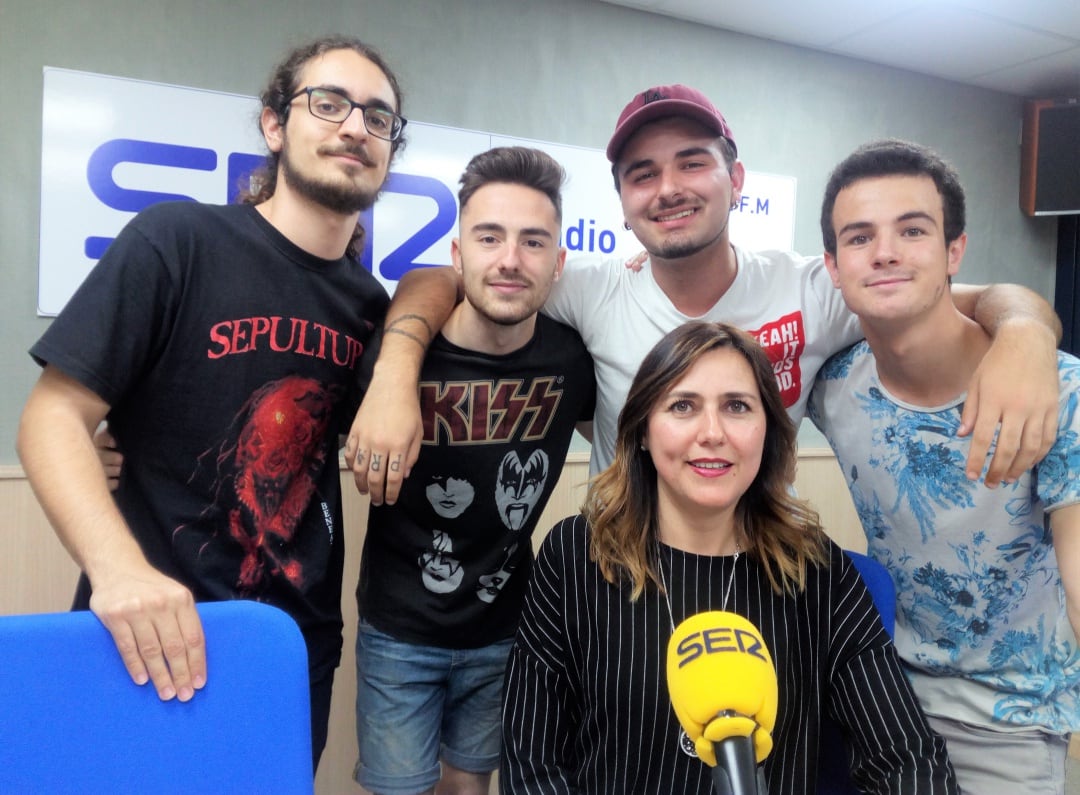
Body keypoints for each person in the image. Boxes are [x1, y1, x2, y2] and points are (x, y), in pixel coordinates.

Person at [345, 83, 1061, 507]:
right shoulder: (590, 292)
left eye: (693, 163)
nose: (670, 189)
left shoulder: (812, 287)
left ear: (736, 180)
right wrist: (395, 373)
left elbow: (968, 294)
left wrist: (1027, 337)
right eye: (643, 173)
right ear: (623, 202)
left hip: (755, 583)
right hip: (616, 586)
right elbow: (447, 278)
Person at [15, 34, 428, 767]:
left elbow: (448, 285)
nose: (355, 126)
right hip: (144, 636)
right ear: (275, 124)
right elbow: (53, 418)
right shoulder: (176, 240)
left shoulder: (369, 304)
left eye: (378, 116)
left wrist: (397, 364)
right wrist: (119, 570)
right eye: (328, 102)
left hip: (286, 652)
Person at [500, 320, 958, 793]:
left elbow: (907, 756)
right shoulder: (575, 555)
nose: (713, 433)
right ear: (642, 431)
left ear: (767, 431)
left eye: (737, 407)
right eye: (683, 406)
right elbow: (532, 762)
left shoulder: (816, 568)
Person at [808, 139, 1080, 794]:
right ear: (833, 266)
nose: (886, 251)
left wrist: (1027, 330)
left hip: (1008, 720)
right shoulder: (834, 386)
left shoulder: (1060, 392)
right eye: (860, 236)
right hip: (881, 700)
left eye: (913, 229)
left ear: (955, 251)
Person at [353, 146, 595, 795]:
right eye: (489, 237)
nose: (510, 259)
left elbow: (627, 441)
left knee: (470, 790)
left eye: (533, 241)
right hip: (399, 632)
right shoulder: (398, 354)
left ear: (558, 262)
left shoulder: (573, 360)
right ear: (457, 256)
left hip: (506, 630)